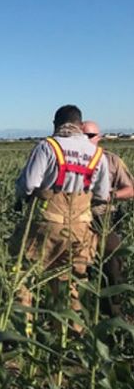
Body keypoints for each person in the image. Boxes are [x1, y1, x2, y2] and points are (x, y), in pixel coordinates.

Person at [10, 105, 110, 334]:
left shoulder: (48, 146)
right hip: (81, 228)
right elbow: (102, 196)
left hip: (45, 222)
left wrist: (21, 197)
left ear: (56, 124)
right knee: (71, 282)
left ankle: (21, 335)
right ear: (80, 126)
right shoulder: (97, 154)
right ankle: (68, 336)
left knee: (23, 276)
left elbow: (28, 184)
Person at [82, 120, 134, 316]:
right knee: (76, 266)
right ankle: (80, 315)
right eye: (82, 136)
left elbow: (130, 189)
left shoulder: (112, 160)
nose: (86, 140)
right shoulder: (74, 160)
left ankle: (114, 314)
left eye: (90, 136)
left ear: (99, 138)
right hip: (79, 218)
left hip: (104, 217)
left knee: (113, 258)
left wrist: (110, 194)